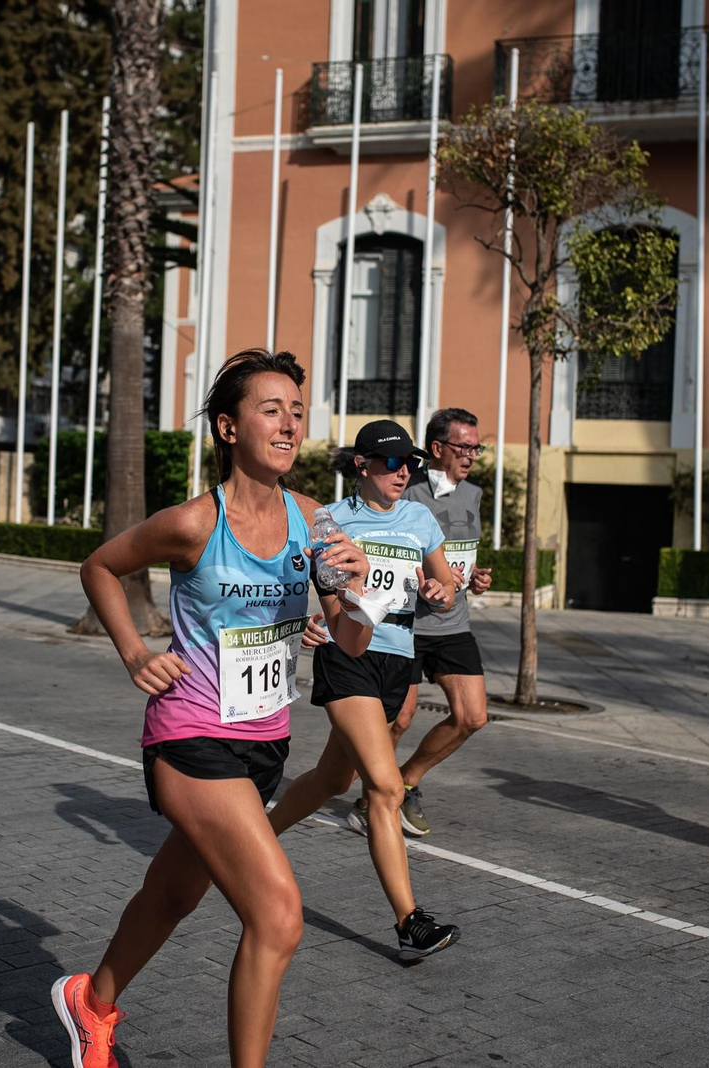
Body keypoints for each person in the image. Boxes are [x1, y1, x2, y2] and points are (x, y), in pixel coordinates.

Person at [50, 349, 372, 1068]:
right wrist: (135, 650)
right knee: (278, 916)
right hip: (190, 734)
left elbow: (347, 641)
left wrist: (359, 594)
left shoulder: (314, 523)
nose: (289, 424)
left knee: (172, 893)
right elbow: (99, 565)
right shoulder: (195, 523)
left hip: (264, 744)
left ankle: (90, 1003)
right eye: (271, 410)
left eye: (296, 411)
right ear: (229, 428)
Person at [267, 419, 462, 960]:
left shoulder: (420, 518)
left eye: (410, 465)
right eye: (393, 463)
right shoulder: (330, 519)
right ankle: (408, 920)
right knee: (384, 787)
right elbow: (302, 582)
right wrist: (309, 618)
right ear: (362, 465)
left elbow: (445, 585)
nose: (404, 473)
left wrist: (437, 590)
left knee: (332, 778)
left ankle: (254, 840)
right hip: (347, 655)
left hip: (399, 659)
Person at [384, 408, 493, 837]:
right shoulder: (405, 492)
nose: (471, 455)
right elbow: (389, 549)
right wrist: (425, 578)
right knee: (400, 718)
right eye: (463, 447)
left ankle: (406, 781)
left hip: (452, 622)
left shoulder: (474, 495)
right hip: (407, 623)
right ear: (436, 448)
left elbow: (462, 556)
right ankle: (376, 795)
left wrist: (476, 577)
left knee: (473, 716)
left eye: (475, 447)